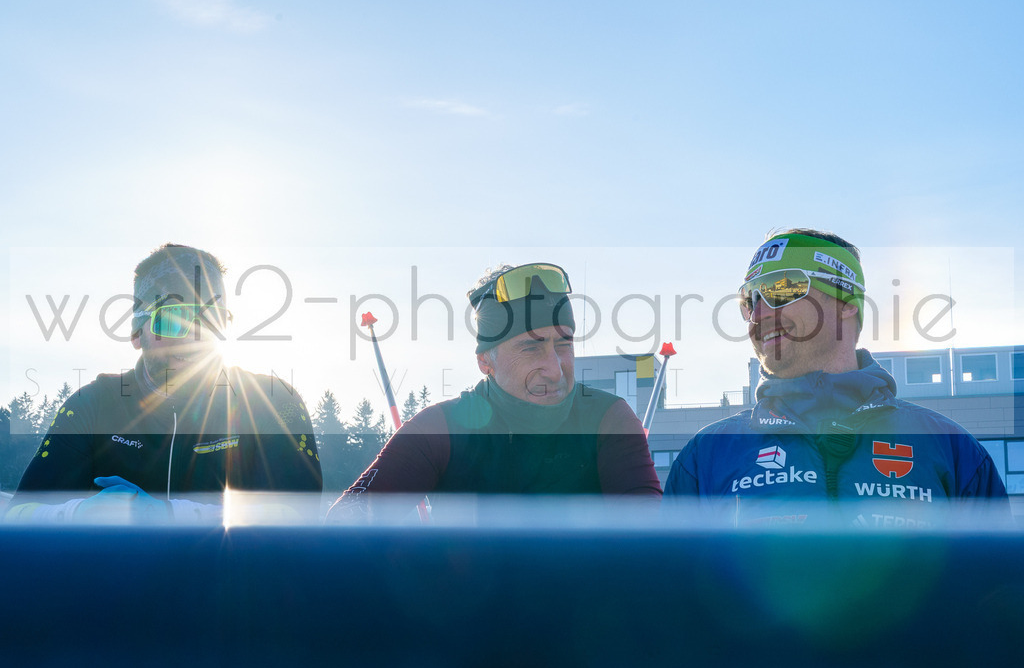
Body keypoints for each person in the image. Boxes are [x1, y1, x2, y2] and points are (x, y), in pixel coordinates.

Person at [663, 229, 1007, 528]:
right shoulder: (706, 456)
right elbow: (668, 581)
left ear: (847, 301)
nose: (759, 314)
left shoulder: (951, 450)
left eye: (781, 288)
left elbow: (997, 581)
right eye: (750, 299)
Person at [6, 244, 322, 523]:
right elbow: (19, 515)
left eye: (211, 319)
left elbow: (298, 514)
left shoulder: (272, 402)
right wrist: (78, 513)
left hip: (229, 572)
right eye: (172, 319)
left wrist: (168, 515)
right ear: (137, 333)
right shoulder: (92, 405)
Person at [326, 262, 662, 522]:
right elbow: (343, 523)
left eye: (564, 344)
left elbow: (653, 538)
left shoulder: (606, 419)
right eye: (531, 348)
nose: (555, 368)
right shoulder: (443, 429)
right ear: (486, 361)